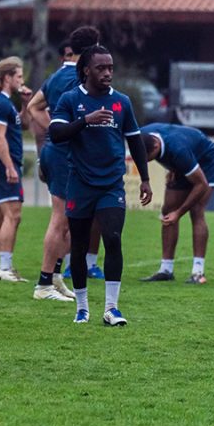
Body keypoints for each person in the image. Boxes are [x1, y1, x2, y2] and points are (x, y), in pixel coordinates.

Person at [49, 44, 152, 326]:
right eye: (101, 68)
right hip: (80, 184)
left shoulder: (122, 102)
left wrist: (144, 179)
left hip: (111, 185)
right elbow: (56, 133)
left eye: (110, 68)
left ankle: (111, 308)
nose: (107, 73)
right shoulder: (71, 99)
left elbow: (135, 141)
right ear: (86, 70)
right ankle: (82, 307)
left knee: (113, 238)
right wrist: (85, 120)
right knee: (79, 247)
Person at [25, 26, 101, 302]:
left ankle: (55, 277)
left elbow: (33, 106)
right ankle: (43, 283)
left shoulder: (58, 75)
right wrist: (62, 132)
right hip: (64, 154)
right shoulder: (81, 77)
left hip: (58, 150)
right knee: (60, 218)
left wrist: (52, 130)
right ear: (94, 49)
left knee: (70, 220)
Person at [139, 123, 214, 284]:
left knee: (196, 211)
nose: (146, 162)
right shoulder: (142, 136)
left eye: (148, 159)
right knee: (168, 210)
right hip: (182, 162)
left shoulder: (178, 150)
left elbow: (201, 184)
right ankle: (166, 270)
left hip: (205, 161)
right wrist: (172, 167)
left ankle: (198, 272)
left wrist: (179, 212)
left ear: (155, 146)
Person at [0, 57, 32, 282]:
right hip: (3, 166)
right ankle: (5, 267)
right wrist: (10, 166)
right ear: (8, 78)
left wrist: (26, 103)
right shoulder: (0, 104)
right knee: (13, 216)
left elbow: (24, 124)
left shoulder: (0, 102)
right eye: (19, 76)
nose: (21, 80)